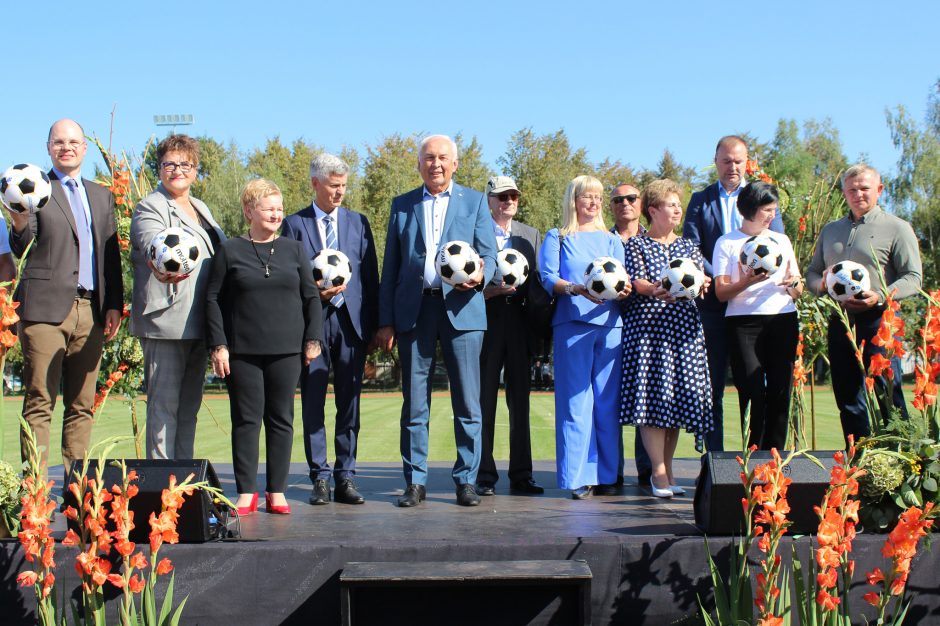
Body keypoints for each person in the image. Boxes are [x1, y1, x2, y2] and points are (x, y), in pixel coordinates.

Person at [376, 135, 497, 508]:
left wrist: (480, 276)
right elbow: (390, 268)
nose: (436, 164)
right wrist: (386, 321)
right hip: (415, 313)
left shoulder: (475, 202)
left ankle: (466, 481)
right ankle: (415, 482)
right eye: (429, 158)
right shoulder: (402, 205)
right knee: (414, 404)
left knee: (468, 402)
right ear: (419, 164)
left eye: (443, 158)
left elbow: (490, 255)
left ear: (455, 164)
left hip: (463, 310)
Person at [6, 119, 123, 472]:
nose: (66, 147)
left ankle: (78, 495)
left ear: (84, 148)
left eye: (73, 141)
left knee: (82, 405)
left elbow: (110, 255)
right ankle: (36, 495)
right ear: (48, 148)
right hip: (44, 311)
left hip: (92, 311)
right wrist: (20, 221)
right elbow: (23, 247)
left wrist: (114, 303)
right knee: (40, 401)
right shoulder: (35, 188)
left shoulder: (102, 195)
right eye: (59, 142)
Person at [206, 179, 323, 515]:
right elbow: (212, 299)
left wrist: (313, 339)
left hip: (287, 350)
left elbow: (311, 297)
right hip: (241, 351)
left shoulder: (294, 249)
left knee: (281, 418)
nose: (276, 213)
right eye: (269, 208)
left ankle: (277, 491)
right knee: (245, 420)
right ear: (249, 211)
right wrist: (219, 345)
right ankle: (246, 492)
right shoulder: (229, 250)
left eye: (279, 208)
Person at [281, 153, 379, 506]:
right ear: (315, 184)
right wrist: (315, 295)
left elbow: (370, 278)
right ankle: (319, 476)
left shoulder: (358, 222)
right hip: (313, 325)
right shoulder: (294, 224)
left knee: (349, 404)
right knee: (313, 403)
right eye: (334, 186)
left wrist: (375, 326)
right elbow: (287, 278)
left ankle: (346, 477)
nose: (340, 193)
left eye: (343, 186)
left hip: (351, 325)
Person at [806, 164, 921, 443]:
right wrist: (820, 285)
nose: (858, 194)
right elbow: (812, 273)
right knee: (847, 397)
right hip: (840, 321)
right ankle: (858, 461)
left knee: (887, 394)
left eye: (865, 188)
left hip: (879, 321)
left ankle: (899, 459)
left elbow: (913, 278)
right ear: (844, 192)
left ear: (879, 190)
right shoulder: (831, 230)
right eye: (852, 189)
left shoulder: (897, 228)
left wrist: (879, 295)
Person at [683, 136, 783, 452]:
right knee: (711, 387)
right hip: (713, 305)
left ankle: (757, 457)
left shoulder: (761, 196)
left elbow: (776, 242)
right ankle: (713, 460)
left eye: (739, 161)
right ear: (716, 161)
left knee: (753, 385)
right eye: (726, 160)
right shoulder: (701, 200)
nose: (733, 167)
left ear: (747, 162)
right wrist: (719, 276)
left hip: (754, 310)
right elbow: (692, 246)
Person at [130, 134, 225, 460]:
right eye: (169, 163)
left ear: (196, 170)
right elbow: (150, 242)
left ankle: (184, 486)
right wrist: (158, 262)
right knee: (163, 412)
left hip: (200, 321)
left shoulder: (200, 207)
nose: (177, 170)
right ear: (159, 168)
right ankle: (161, 489)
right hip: (167, 322)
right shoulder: (150, 206)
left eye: (185, 164)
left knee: (188, 410)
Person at [539, 175, 630, 500]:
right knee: (575, 403)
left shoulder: (611, 240)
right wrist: (576, 288)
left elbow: (623, 280)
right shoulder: (558, 237)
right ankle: (578, 477)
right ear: (573, 200)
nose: (592, 203)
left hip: (610, 326)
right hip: (571, 324)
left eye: (596, 197)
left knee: (607, 402)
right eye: (585, 197)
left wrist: (624, 288)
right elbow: (549, 278)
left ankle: (607, 474)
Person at [621, 179, 712, 498]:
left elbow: (701, 280)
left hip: (683, 331)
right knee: (653, 402)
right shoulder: (636, 245)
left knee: (674, 403)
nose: (677, 209)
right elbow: (637, 282)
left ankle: (668, 470)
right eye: (671, 204)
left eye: (678, 204)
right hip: (649, 332)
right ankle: (657, 474)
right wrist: (658, 288)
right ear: (653, 210)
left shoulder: (689, 247)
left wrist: (702, 284)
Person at [712, 182, 802, 449]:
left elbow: (796, 286)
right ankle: (753, 455)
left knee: (780, 390)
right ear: (749, 209)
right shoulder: (727, 242)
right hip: (743, 322)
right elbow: (721, 292)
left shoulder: (781, 241)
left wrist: (794, 287)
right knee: (751, 389)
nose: (771, 215)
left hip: (782, 317)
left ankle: (775, 458)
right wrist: (748, 281)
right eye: (766, 210)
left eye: (774, 209)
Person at [475, 175, 547, 497]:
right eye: (502, 197)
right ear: (489, 200)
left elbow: (539, 285)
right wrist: (486, 292)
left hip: (519, 323)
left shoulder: (530, 235)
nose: (508, 202)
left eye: (513, 196)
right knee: (483, 401)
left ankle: (521, 475)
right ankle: (484, 476)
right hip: (486, 320)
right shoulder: (475, 232)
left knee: (520, 402)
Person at [609, 182, 651, 487]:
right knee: (609, 401)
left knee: (644, 399)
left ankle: (648, 470)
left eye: (631, 198)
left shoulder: (655, 240)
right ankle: (612, 471)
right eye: (618, 199)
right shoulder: (601, 240)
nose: (625, 203)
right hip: (608, 326)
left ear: (642, 203)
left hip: (646, 330)